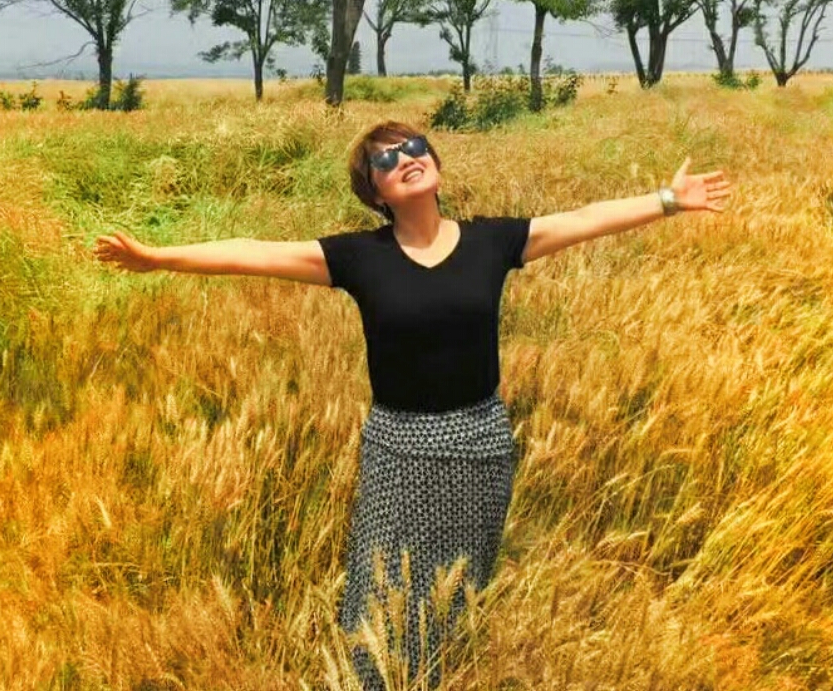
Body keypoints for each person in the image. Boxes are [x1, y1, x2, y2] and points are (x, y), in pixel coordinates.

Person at [94, 119, 732, 687]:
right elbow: (252, 254)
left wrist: (668, 200)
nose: (407, 158)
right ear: (374, 192)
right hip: (398, 447)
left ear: (437, 165)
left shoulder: (491, 242)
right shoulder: (359, 257)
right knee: (382, 592)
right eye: (386, 159)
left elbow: (583, 219)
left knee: (459, 593)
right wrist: (159, 259)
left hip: (481, 444)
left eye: (416, 147)